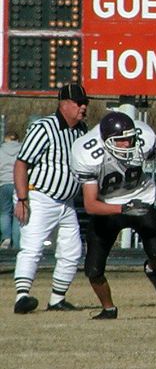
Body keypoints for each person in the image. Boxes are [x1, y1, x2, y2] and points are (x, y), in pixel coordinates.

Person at [71, 111, 156, 320]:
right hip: (107, 206)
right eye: (122, 140)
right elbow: (91, 205)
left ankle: (152, 268)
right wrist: (123, 208)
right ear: (106, 141)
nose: (128, 144)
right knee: (93, 269)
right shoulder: (87, 153)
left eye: (130, 139)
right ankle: (109, 308)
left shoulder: (143, 138)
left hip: (139, 196)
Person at [13, 83, 89, 314]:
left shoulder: (81, 130)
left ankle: (57, 299)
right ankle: (22, 297)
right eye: (78, 103)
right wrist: (23, 199)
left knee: (72, 251)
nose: (83, 107)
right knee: (32, 247)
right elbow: (21, 163)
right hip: (41, 196)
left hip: (66, 203)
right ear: (63, 103)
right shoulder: (44, 127)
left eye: (85, 103)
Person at [0, 131, 21, 249]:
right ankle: (17, 243)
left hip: (4, 184)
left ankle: (6, 238)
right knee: (17, 214)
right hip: (19, 184)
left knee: (4, 212)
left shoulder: (1, 150)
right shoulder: (23, 149)